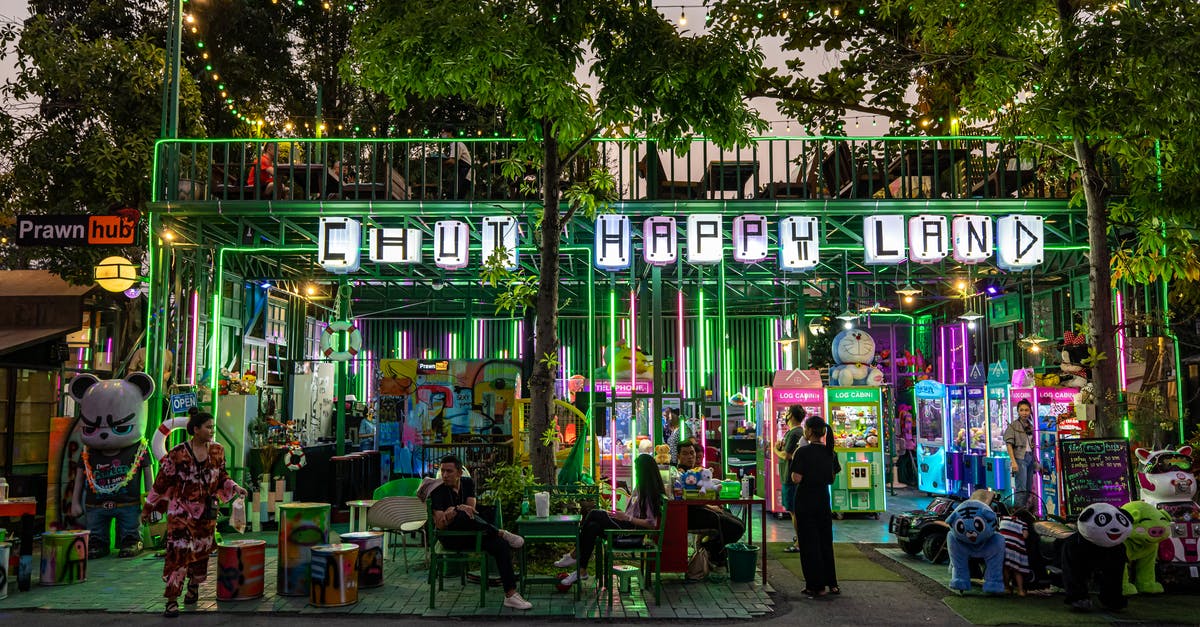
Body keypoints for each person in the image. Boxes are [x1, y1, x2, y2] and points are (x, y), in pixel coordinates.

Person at [141, 407, 248, 618]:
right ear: (195, 429)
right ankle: (172, 599)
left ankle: (194, 586)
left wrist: (235, 487)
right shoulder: (178, 453)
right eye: (208, 427)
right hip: (180, 512)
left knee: (201, 552)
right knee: (178, 554)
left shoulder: (217, 451)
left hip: (206, 513)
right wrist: (148, 506)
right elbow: (162, 481)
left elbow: (222, 476)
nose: (212, 431)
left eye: (213, 427)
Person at [428, 455, 532, 610]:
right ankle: (499, 532)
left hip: (473, 533)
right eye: (442, 471)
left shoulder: (467, 483)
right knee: (462, 514)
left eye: (449, 471)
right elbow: (440, 524)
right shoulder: (437, 490)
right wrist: (457, 510)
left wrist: (455, 510)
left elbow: (472, 510)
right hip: (451, 537)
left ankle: (511, 595)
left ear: (459, 473)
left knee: (501, 546)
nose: (444, 475)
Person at [555, 453, 665, 586]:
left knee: (594, 513)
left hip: (630, 532)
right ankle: (582, 570)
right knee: (593, 527)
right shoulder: (640, 487)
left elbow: (651, 524)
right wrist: (621, 515)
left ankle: (574, 554)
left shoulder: (650, 493)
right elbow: (631, 513)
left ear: (645, 471)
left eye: (637, 470)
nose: (635, 473)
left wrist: (627, 518)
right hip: (624, 525)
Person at [789, 416, 840, 598]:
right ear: (824, 432)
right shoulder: (830, 453)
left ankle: (815, 585)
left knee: (809, 542)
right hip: (823, 500)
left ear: (809, 431)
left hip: (805, 500)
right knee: (825, 540)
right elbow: (832, 478)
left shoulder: (802, 452)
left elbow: (796, 478)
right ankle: (832, 583)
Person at [675, 439, 746, 567]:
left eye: (692, 453)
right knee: (737, 527)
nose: (690, 457)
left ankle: (713, 554)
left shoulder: (696, 472)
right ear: (678, 456)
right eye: (685, 454)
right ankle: (711, 552)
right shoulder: (680, 474)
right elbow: (689, 500)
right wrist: (710, 506)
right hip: (691, 514)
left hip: (702, 509)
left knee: (737, 521)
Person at [775, 405, 807, 553]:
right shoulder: (797, 432)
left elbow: (786, 455)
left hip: (790, 477)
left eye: (787, 413)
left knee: (795, 512)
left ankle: (800, 542)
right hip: (792, 476)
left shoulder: (794, 433)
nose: (785, 415)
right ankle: (800, 537)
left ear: (792, 416)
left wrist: (775, 449)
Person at [1004, 399, 1041, 508]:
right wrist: (1013, 462)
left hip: (1030, 457)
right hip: (1020, 458)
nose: (1024, 413)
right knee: (1021, 489)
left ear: (1030, 411)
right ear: (1018, 411)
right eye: (1022, 410)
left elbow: (1031, 444)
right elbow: (1009, 444)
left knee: (1029, 488)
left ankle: (1024, 511)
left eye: (1026, 410)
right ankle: (1017, 514)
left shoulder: (1030, 425)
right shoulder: (1013, 426)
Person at [440, 128, 474, 199]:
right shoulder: (454, 144)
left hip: (466, 173)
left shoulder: (456, 144)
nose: (443, 134)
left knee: (453, 195)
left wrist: (442, 162)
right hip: (463, 173)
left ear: (450, 132)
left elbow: (453, 160)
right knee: (457, 195)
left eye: (444, 132)